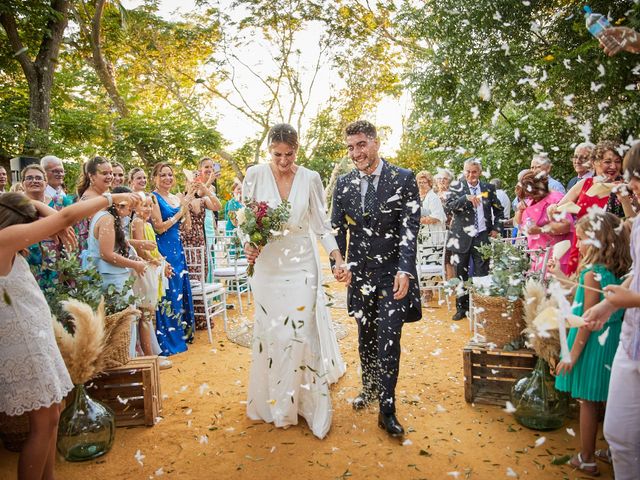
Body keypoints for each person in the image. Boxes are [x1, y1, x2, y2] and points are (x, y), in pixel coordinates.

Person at [0, 190, 140, 480]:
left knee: (52, 417)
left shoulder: (9, 237)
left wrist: (42, 212)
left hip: (33, 336)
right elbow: (64, 216)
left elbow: (58, 221)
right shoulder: (5, 239)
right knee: (44, 422)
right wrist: (111, 199)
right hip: (23, 342)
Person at [243, 123, 347, 439]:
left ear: (297, 150)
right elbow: (244, 221)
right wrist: (248, 242)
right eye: (277, 154)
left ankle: (310, 405)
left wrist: (336, 256)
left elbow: (321, 223)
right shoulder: (255, 175)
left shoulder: (311, 178)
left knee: (301, 332)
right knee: (273, 332)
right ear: (268, 150)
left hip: (302, 263)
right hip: (268, 265)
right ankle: (275, 403)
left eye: (289, 154)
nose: (284, 161)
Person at [330, 120, 420, 437]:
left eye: (361, 145)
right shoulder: (343, 185)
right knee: (365, 337)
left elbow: (411, 231)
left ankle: (387, 409)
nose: (356, 153)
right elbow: (337, 230)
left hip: (393, 275)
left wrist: (404, 270)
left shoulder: (404, 179)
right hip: (359, 276)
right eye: (351, 147)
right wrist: (337, 263)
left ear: (376, 143)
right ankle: (369, 388)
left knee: (388, 340)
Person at [554, 211, 631, 477]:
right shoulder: (623, 271)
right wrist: (559, 276)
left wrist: (572, 355)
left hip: (593, 345)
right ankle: (613, 449)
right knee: (612, 397)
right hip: (616, 342)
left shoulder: (592, 273)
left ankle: (586, 458)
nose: (577, 244)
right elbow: (579, 295)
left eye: (582, 238)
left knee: (588, 401)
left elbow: (587, 319)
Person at [582, 142, 640, 480]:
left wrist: (626, 300)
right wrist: (606, 304)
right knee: (618, 433)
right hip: (631, 341)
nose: (632, 183)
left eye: (635, 176)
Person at [551, 140, 635, 274]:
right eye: (607, 162)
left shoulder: (628, 187)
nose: (613, 166)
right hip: (581, 250)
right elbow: (558, 208)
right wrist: (553, 209)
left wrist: (624, 199)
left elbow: (634, 223)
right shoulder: (585, 184)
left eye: (617, 161)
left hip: (611, 254)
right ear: (595, 162)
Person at [445, 158, 503, 321]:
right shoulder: (456, 187)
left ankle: (479, 307)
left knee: (481, 274)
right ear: (464, 171)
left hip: (482, 236)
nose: (471, 175)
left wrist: (496, 228)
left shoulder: (488, 188)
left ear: (480, 172)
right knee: (461, 274)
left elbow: (499, 210)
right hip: (461, 237)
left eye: (474, 171)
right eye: (468, 171)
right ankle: (461, 308)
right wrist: (466, 198)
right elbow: (448, 207)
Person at [150, 162, 196, 356]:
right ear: (155, 178)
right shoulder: (153, 197)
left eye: (170, 175)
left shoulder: (176, 197)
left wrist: (186, 207)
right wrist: (179, 212)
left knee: (179, 289)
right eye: (163, 175)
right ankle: (169, 339)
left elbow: (186, 227)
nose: (167, 178)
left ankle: (183, 333)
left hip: (178, 249)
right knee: (168, 293)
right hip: (163, 250)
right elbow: (159, 227)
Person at [130, 194, 172, 369]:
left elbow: (153, 249)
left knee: (149, 315)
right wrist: (157, 263)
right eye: (144, 206)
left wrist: (163, 260)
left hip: (151, 268)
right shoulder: (138, 223)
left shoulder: (146, 223)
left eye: (150, 206)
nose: (147, 209)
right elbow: (141, 250)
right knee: (146, 315)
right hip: (144, 271)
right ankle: (150, 357)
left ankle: (150, 354)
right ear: (135, 207)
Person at [180, 162, 221, 330]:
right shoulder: (180, 197)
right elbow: (184, 222)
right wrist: (188, 196)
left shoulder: (204, 199)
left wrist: (205, 188)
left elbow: (218, 206)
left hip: (200, 242)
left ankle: (201, 318)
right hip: (184, 242)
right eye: (191, 180)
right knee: (188, 280)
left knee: (200, 278)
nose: (194, 182)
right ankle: (188, 319)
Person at [513, 171, 573, 274]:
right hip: (537, 255)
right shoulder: (530, 200)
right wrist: (520, 211)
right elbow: (518, 223)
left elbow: (567, 225)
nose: (530, 197)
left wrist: (541, 230)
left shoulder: (555, 199)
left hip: (557, 255)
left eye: (531, 195)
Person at [76, 156, 114, 253]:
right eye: (104, 173)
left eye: (111, 173)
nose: (109, 176)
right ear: (91, 176)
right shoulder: (90, 200)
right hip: (94, 258)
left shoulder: (102, 195)